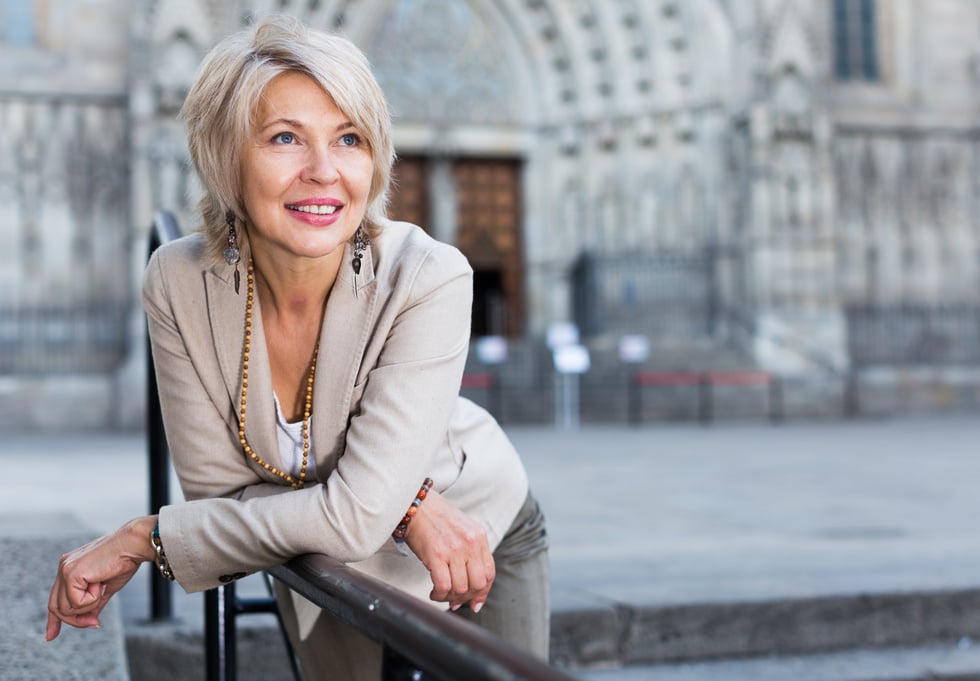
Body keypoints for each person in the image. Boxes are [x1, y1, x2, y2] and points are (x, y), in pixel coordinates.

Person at [45, 15, 549, 679]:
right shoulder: (178, 280)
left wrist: (151, 536)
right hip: (317, 552)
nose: (324, 171)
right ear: (228, 157)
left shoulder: (427, 274)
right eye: (285, 137)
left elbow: (331, 514)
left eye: (349, 138)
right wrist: (388, 503)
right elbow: (219, 501)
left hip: (472, 527)